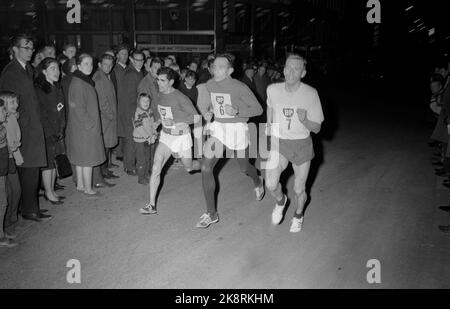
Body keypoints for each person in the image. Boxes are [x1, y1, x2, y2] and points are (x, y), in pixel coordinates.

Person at [195, 54, 265, 228]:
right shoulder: (210, 84)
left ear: (230, 70)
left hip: (237, 130)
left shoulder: (239, 87)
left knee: (244, 168)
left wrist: (237, 110)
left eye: (220, 66)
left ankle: (257, 181)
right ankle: (211, 213)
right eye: (214, 66)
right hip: (219, 129)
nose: (215, 69)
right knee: (206, 166)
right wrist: (208, 112)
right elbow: (208, 105)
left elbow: (257, 109)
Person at [265, 54, 324, 233]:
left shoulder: (311, 93)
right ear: (283, 69)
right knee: (271, 183)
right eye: (288, 67)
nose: (291, 72)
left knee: (299, 188)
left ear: (303, 73)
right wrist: (269, 126)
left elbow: (317, 128)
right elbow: (270, 106)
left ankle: (298, 215)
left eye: (296, 69)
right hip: (280, 142)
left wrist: (305, 120)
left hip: (301, 144)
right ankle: (281, 201)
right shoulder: (272, 89)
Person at [0, 34, 51, 222]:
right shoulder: (10, 72)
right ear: (15, 49)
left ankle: (31, 207)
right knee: (28, 169)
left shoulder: (28, 68)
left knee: (33, 168)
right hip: (23, 127)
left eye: (31, 48)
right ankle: (28, 209)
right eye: (26, 48)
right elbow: (6, 103)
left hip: (33, 125)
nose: (30, 51)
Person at [139, 67, 201, 215]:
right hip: (166, 136)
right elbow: (164, 113)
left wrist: (178, 122)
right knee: (156, 167)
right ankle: (151, 205)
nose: (158, 82)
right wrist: (159, 121)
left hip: (181, 137)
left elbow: (196, 117)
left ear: (171, 82)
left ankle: (205, 165)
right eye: (158, 79)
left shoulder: (181, 98)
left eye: (162, 80)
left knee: (189, 167)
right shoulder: (160, 94)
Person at [66, 53, 106, 196]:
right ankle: (88, 188)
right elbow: (78, 108)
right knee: (88, 159)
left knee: (81, 159)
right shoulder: (79, 83)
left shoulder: (81, 80)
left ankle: (81, 185)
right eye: (86, 64)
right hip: (85, 129)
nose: (90, 66)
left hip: (81, 128)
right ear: (78, 66)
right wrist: (90, 124)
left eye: (91, 63)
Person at [35, 58, 66, 204]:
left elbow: (61, 109)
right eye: (52, 68)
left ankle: (52, 190)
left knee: (55, 162)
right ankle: (48, 192)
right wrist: (51, 132)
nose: (57, 72)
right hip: (48, 132)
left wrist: (61, 128)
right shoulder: (40, 89)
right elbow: (42, 114)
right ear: (44, 71)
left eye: (58, 68)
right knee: (48, 164)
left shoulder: (57, 87)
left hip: (57, 131)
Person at [92, 53, 119, 185]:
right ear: (99, 65)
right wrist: (111, 115)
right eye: (105, 65)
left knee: (107, 145)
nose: (108, 67)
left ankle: (106, 170)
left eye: (110, 65)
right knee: (104, 146)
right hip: (105, 118)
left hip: (109, 118)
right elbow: (102, 102)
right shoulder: (99, 78)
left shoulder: (105, 76)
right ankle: (102, 173)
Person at [118, 50, 145, 176]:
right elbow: (129, 98)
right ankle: (129, 166)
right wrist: (136, 114)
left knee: (133, 139)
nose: (140, 62)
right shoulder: (131, 74)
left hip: (135, 110)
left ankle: (130, 164)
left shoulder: (137, 72)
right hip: (131, 112)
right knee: (130, 140)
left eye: (142, 60)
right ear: (132, 59)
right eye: (137, 60)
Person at [0, 92, 22, 230]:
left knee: (16, 189)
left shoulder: (12, 117)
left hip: (11, 158)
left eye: (16, 102)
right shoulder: (4, 122)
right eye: (12, 103)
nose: (16, 105)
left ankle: (12, 217)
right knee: (7, 193)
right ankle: (7, 221)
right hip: (5, 159)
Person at [0, 99, 18, 247]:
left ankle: (3, 231)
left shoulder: (2, 127)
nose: (5, 112)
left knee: (5, 200)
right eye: (2, 110)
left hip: (4, 168)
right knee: (2, 202)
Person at [133, 93, 159, 185]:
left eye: (148, 101)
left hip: (148, 139)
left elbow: (152, 124)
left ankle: (146, 174)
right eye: (143, 101)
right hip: (140, 140)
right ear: (138, 102)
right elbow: (138, 127)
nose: (146, 103)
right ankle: (141, 177)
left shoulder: (150, 111)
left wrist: (154, 133)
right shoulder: (138, 113)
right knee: (141, 160)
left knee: (148, 157)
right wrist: (148, 137)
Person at [113, 44, 130, 162]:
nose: (125, 56)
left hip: (127, 101)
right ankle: (119, 152)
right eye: (123, 54)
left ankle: (124, 151)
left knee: (126, 126)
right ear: (117, 55)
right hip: (119, 101)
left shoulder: (128, 68)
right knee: (120, 126)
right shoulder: (115, 69)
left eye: (126, 54)